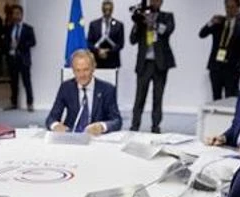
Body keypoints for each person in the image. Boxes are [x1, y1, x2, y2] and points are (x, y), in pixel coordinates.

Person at [45, 49, 122, 134]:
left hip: (96, 139)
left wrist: (101, 126)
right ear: (73, 71)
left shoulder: (107, 89)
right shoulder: (66, 88)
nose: (82, 75)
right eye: (78, 70)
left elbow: (117, 121)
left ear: (93, 68)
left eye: (86, 70)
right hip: (71, 138)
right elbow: (51, 118)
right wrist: (56, 126)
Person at [129, 0, 175, 134]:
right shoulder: (142, 17)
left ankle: (156, 126)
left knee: (158, 97)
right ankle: (134, 125)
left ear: (161, 2)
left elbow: (168, 30)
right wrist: (139, 24)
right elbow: (132, 40)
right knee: (139, 97)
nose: (154, 2)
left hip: (160, 64)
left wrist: (153, 24)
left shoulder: (167, 16)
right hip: (144, 64)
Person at [199, 0, 240, 100]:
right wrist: (211, 22)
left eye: (232, 7)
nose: (229, 10)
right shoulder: (219, 21)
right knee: (216, 96)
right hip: (216, 65)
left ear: (238, 7)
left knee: (231, 96)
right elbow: (202, 34)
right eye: (227, 7)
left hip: (233, 67)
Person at [4, 5, 36, 111]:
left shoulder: (28, 28)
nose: (16, 16)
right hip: (12, 59)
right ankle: (13, 103)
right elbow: (6, 42)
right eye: (14, 13)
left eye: (18, 13)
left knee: (27, 82)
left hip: (24, 59)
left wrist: (21, 45)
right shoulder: (9, 28)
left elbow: (33, 42)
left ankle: (30, 103)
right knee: (13, 82)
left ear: (22, 15)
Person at [87, 0, 125, 69]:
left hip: (112, 61)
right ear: (102, 9)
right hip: (96, 61)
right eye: (105, 9)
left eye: (109, 9)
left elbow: (120, 44)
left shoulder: (119, 25)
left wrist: (108, 51)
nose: (107, 11)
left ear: (112, 10)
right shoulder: (93, 24)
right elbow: (89, 43)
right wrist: (99, 51)